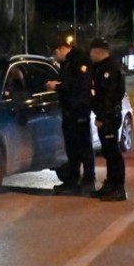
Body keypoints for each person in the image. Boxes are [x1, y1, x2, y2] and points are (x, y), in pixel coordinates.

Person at [47, 37, 96, 195]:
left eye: (55, 53)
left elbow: (81, 85)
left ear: (63, 48)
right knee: (71, 148)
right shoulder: (67, 62)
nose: (55, 57)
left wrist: (58, 86)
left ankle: (89, 181)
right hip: (69, 111)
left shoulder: (79, 60)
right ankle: (73, 180)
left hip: (79, 110)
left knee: (84, 147)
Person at [89, 39, 127, 201]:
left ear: (98, 51)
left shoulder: (109, 69)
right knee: (108, 152)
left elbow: (108, 97)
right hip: (106, 115)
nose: (90, 55)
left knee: (113, 153)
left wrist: (103, 117)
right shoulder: (102, 68)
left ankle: (118, 187)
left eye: (91, 52)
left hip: (109, 117)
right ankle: (110, 184)